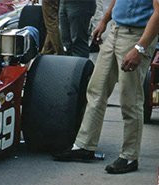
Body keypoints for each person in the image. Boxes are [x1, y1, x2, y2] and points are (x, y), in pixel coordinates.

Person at [53, 0, 159, 174]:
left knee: (130, 98)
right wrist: (104, 21)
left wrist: (139, 49)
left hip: (136, 36)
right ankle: (84, 145)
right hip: (116, 31)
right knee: (96, 89)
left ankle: (129, 156)